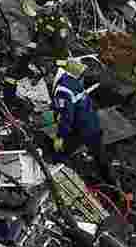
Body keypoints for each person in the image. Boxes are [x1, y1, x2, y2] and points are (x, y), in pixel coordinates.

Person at [47, 58, 116, 187]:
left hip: (80, 128)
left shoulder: (62, 90)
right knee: (101, 157)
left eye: (47, 79)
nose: (46, 82)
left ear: (51, 76)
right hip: (92, 122)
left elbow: (66, 117)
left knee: (60, 151)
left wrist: (60, 137)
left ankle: (53, 175)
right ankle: (114, 186)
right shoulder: (70, 80)